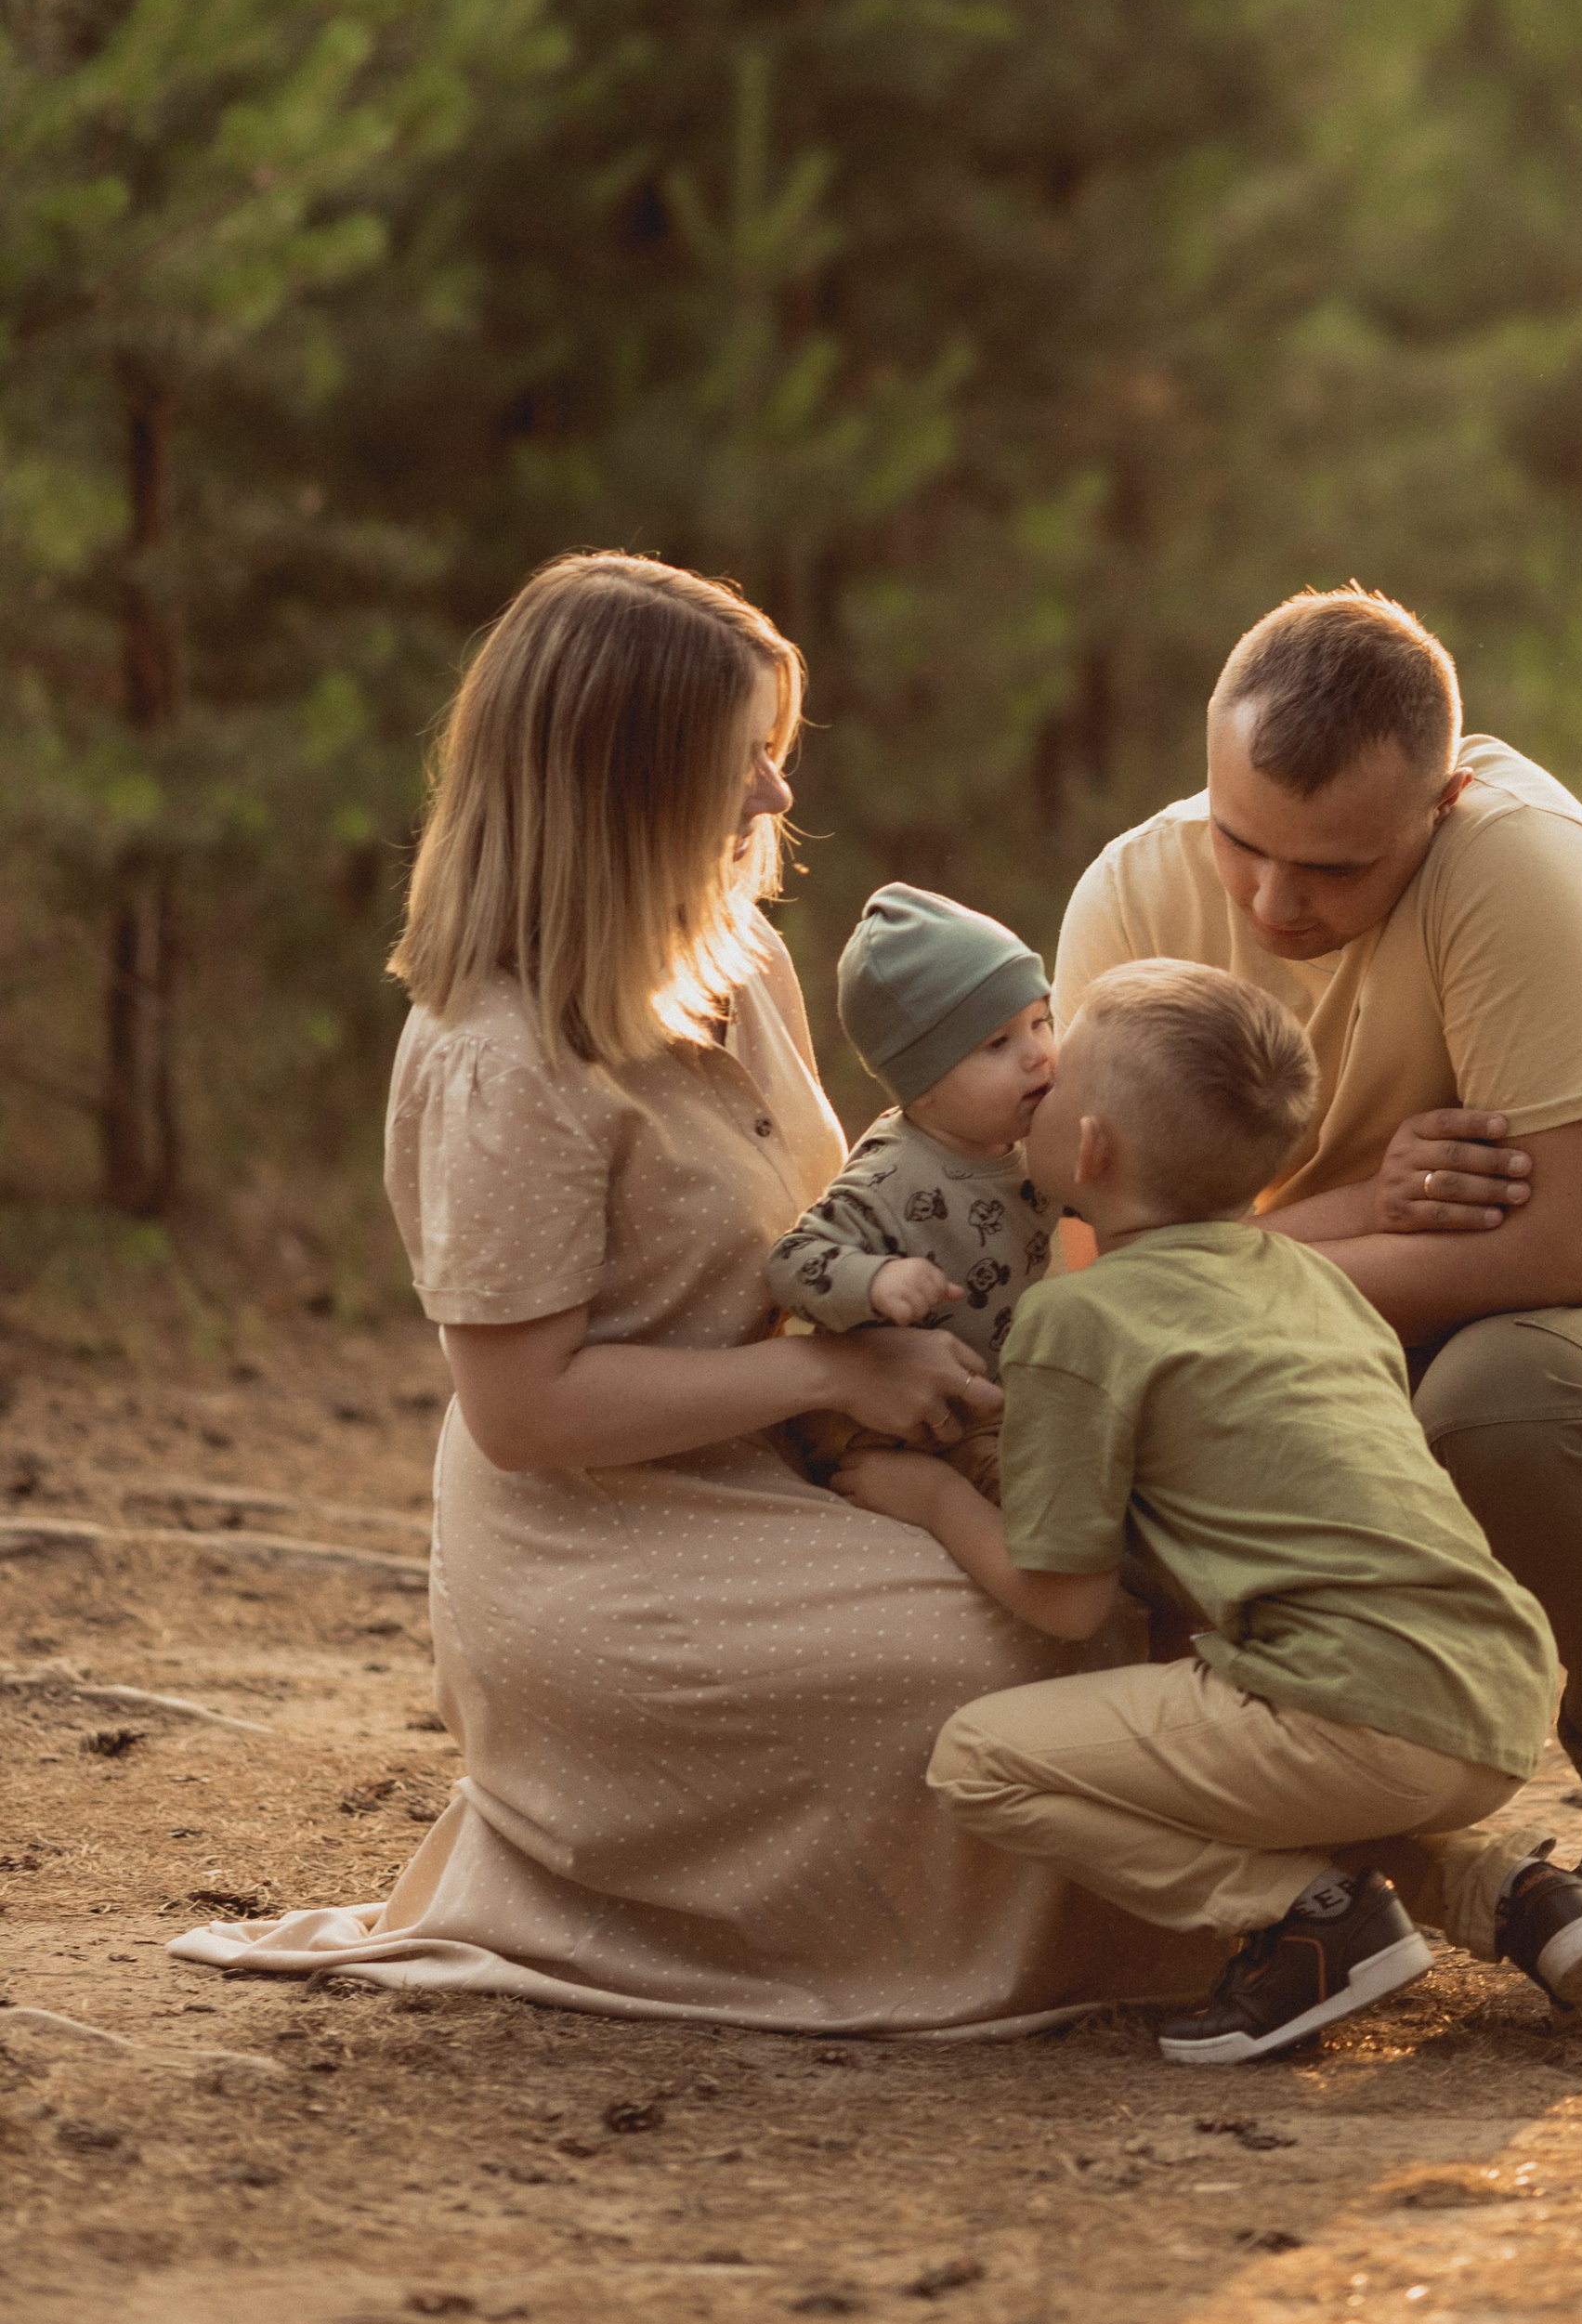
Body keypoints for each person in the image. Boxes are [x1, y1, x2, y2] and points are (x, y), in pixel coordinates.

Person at [169, 551, 1207, 2035]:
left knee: (1102, 1581)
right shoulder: (497, 1055)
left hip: (802, 1468)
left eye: (777, 752)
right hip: (601, 1539)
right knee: (1002, 1655)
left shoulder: (744, 960)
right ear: (623, 785)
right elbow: (525, 1413)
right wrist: (836, 1379)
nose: (779, 794)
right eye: (744, 761)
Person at [1054, 587, 1582, 1950]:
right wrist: (1354, 1211)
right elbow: (1091, 1276)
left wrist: (1210, 1266)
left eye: (1336, 868)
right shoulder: (1132, 895)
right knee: (1127, 1437)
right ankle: (1385, 1855)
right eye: (1241, 841)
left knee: (1505, 1406)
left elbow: (1566, 1250)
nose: (1273, 900)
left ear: (1444, 798)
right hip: (1375, 1325)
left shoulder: (1523, 866)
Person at [838, 960, 1582, 2060]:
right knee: (1280, 1773)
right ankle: (1515, 1897)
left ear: (1090, 1149)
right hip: (1498, 1690)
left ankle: (1304, 1923)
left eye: (1053, 1079)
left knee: (979, 1760)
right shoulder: (1315, 1281)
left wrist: (930, 1492)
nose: (1032, 1082)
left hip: (1352, 1705)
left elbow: (1064, 1600)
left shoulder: (1076, 1320)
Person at [767, 883, 1059, 1495]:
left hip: (993, 1404)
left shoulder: (1032, 1140)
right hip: (907, 1427)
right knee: (1044, 1503)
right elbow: (791, 1263)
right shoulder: (892, 1175)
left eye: (1041, 1021)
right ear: (922, 1083)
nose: (1037, 1054)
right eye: (998, 1043)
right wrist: (874, 1279)